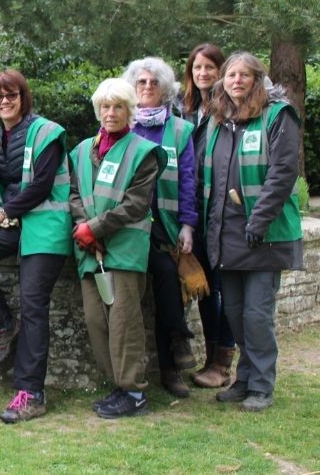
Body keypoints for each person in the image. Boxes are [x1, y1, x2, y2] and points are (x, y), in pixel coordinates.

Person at [0, 69, 70, 423]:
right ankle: (2, 324)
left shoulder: (47, 132)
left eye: (11, 95)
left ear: (23, 97)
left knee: (34, 305)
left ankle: (31, 393)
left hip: (45, 226)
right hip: (15, 222)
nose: (4, 102)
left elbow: (40, 186)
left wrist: (6, 211)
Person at [204, 52, 302, 412]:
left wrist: (258, 221)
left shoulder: (278, 116)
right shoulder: (219, 122)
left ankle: (261, 385)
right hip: (227, 236)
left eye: (245, 75)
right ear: (223, 81)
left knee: (257, 315)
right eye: (231, 75)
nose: (237, 81)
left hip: (264, 234)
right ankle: (244, 379)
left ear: (258, 80)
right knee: (234, 312)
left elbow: (282, 173)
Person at [69, 78, 165, 420]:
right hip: (89, 250)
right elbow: (75, 195)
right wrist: (84, 229)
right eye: (106, 107)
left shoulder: (144, 152)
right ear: (98, 110)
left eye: (119, 107)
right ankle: (117, 386)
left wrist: (93, 228)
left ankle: (134, 391)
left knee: (124, 321)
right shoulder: (81, 150)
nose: (111, 113)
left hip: (123, 249)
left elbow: (135, 205)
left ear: (130, 111)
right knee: (97, 321)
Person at [122, 57, 198, 398]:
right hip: (129, 225)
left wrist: (187, 225)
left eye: (154, 83)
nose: (148, 87)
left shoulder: (180, 130)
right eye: (141, 82)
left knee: (167, 278)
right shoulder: (122, 124)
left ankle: (171, 370)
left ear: (165, 88)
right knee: (159, 281)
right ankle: (177, 344)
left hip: (165, 226)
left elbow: (188, 181)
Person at [180, 43, 236, 388]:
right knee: (202, 286)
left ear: (221, 71)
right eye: (197, 68)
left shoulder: (227, 111)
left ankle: (222, 361)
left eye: (209, 68)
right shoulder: (186, 110)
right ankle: (210, 359)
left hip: (221, 211)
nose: (203, 74)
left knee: (224, 286)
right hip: (194, 210)